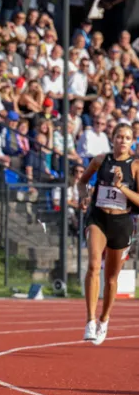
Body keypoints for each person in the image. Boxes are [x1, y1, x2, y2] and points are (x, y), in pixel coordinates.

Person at [77, 123, 139, 345]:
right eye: (119, 136)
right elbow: (82, 182)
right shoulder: (100, 160)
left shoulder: (135, 167)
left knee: (111, 278)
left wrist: (121, 187)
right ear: (112, 138)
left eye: (127, 137)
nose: (123, 140)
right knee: (94, 265)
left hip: (121, 223)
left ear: (132, 141)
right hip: (99, 219)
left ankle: (104, 319)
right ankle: (90, 321)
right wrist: (83, 196)